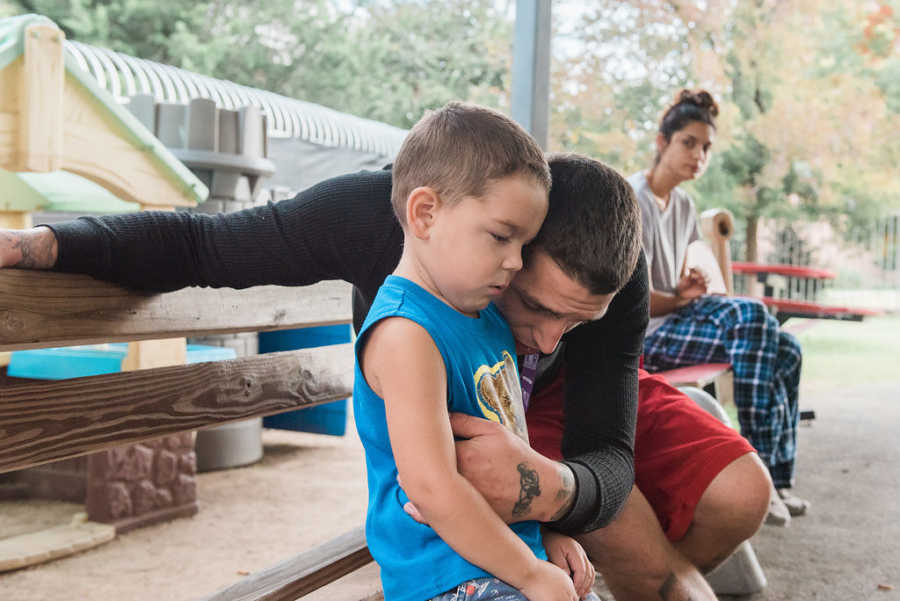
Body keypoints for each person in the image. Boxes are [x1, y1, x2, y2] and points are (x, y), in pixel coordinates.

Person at [1, 111, 771, 601]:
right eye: (533, 303)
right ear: (496, 234)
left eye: (577, 319)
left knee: (742, 493)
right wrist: (47, 243)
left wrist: (551, 490)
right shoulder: (385, 223)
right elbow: (202, 242)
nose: (546, 336)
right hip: (469, 393)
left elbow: (607, 449)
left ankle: (688, 541)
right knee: (649, 569)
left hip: (563, 407)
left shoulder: (610, 274)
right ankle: (675, 559)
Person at [353, 102, 597, 601]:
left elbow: (508, 462)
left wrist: (540, 535)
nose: (514, 262)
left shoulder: (485, 316)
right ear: (426, 213)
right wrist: (528, 574)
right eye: (502, 236)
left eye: (524, 244)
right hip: (445, 577)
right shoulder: (406, 334)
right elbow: (434, 488)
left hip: (495, 558)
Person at [629, 89, 809, 524]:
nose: (698, 155)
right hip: (647, 334)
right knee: (751, 316)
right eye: (688, 143)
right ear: (662, 142)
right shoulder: (632, 198)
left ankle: (779, 481)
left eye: (705, 147)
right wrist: (678, 297)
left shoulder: (684, 205)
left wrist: (688, 285)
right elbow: (630, 299)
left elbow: (677, 282)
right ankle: (761, 470)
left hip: (678, 321)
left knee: (787, 348)